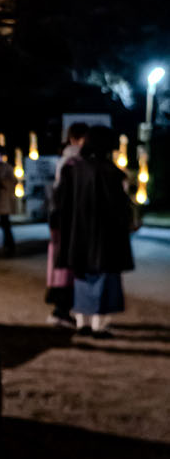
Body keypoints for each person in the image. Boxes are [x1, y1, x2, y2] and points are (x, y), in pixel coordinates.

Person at [55, 124, 134, 338]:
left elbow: (61, 203)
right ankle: (99, 325)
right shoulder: (111, 173)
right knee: (104, 280)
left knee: (82, 279)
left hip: (78, 235)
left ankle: (83, 322)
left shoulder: (73, 170)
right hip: (105, 237)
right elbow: (120, 208)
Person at [46, 121, 87, 326]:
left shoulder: (65, 160)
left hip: (60, 219)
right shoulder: (75, 162)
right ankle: (62, 311)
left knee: (61, 265)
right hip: (69, 221)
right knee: (67, 266)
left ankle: (61, 310)